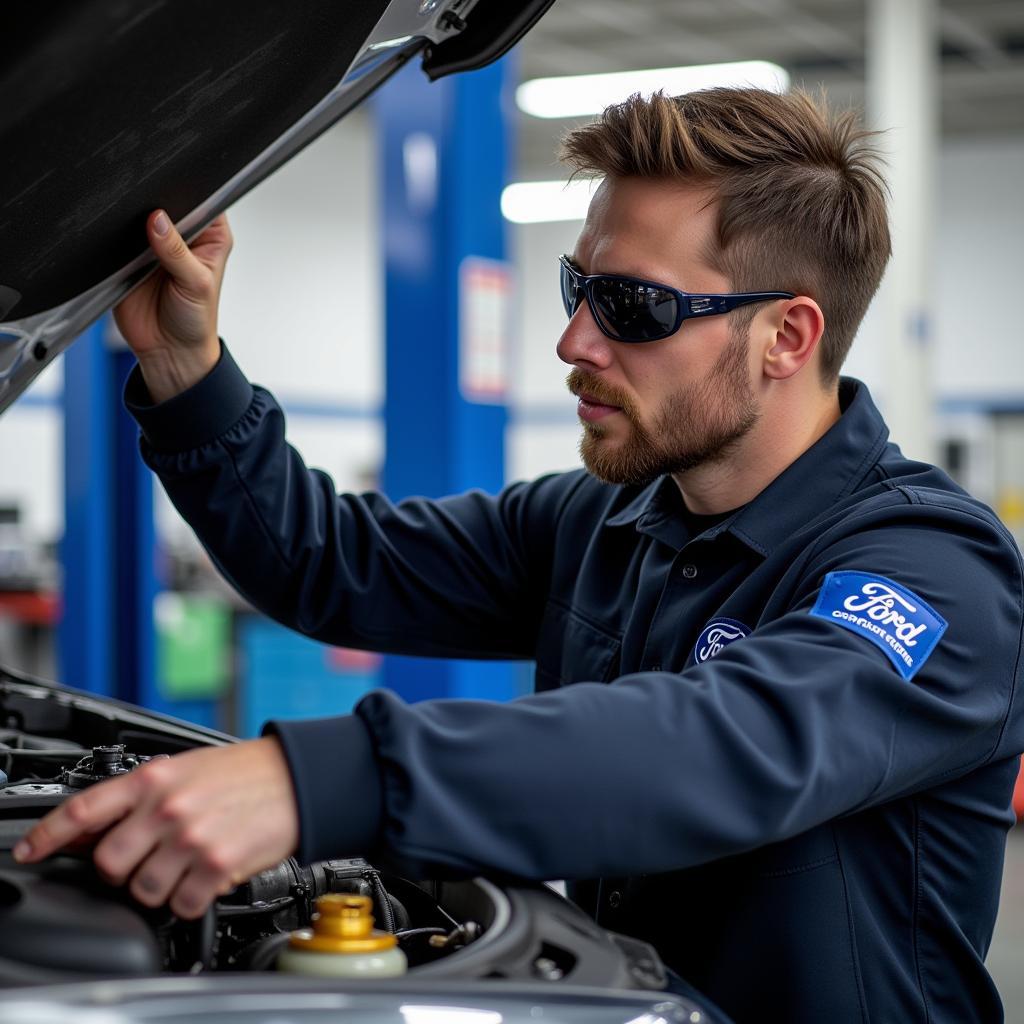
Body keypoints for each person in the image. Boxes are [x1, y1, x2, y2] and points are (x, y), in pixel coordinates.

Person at [15, 87, 1024, 1022]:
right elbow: (330, 559)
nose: (574, 341)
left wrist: (326, 777)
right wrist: (187, 369)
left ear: (786, 336)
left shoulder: (932, 573)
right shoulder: (605, 522)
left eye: (633, 309)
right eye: (576, 287)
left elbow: (719, 743)